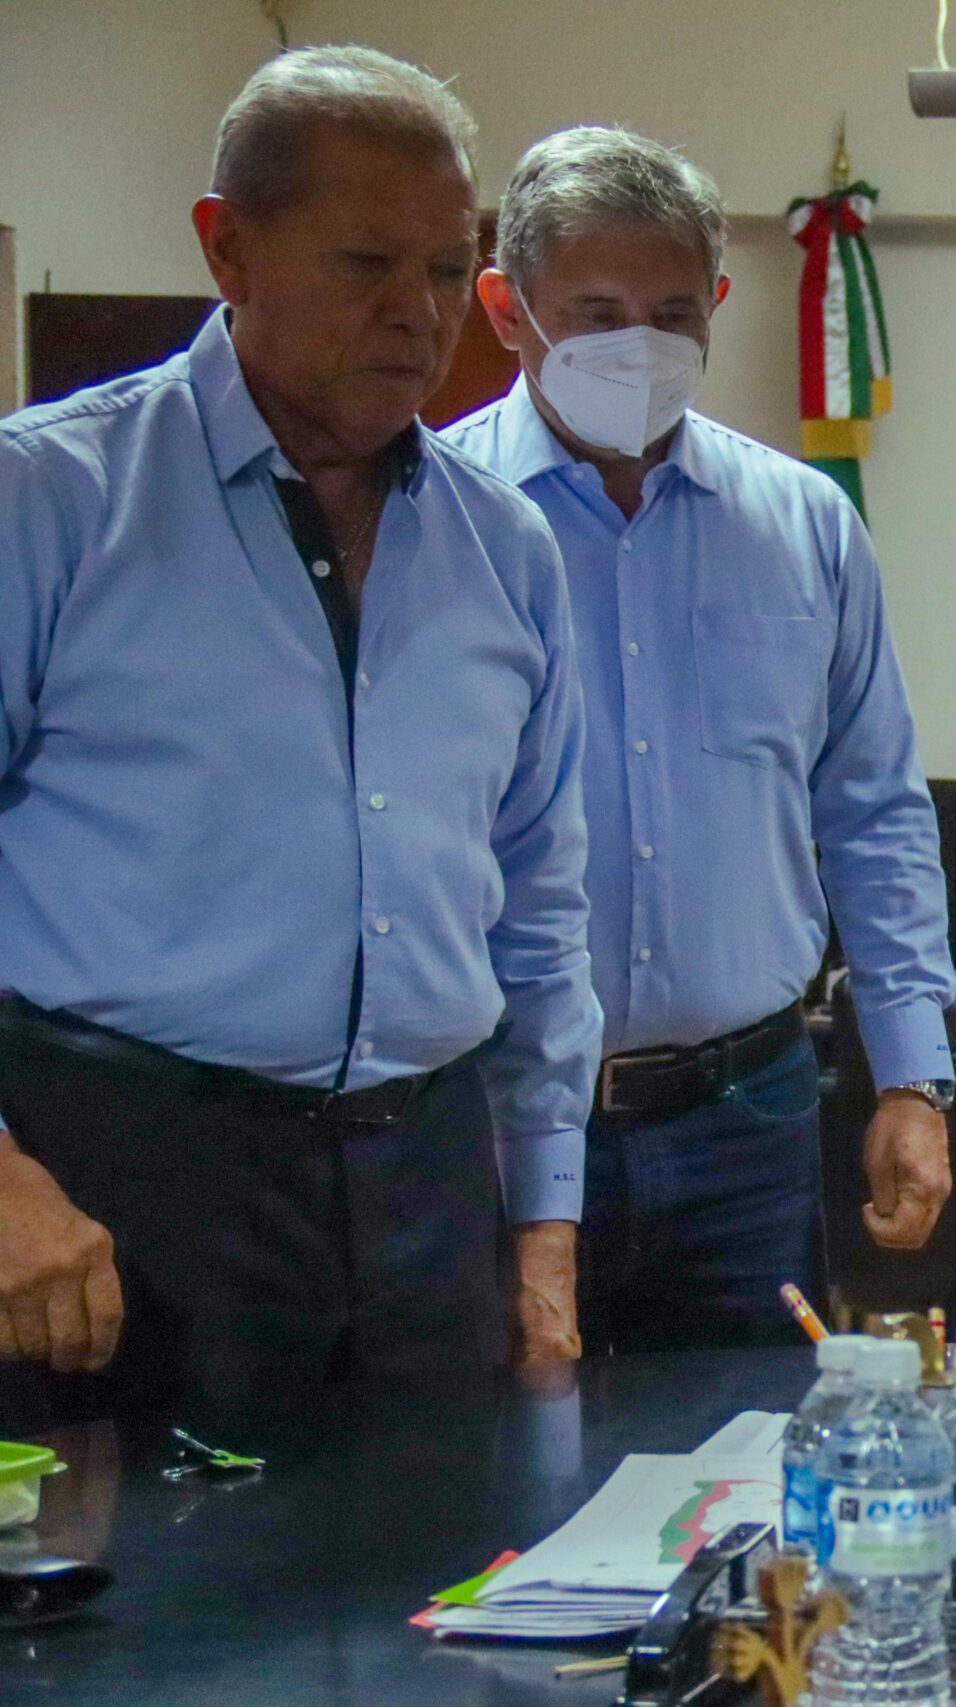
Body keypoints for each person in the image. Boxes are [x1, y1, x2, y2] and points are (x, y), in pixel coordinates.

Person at [0, 48, 600, 1427]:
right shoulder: (53, 502)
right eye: (367, 264)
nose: (418, 314)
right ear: (228, 249)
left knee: (442, 1554)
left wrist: (544, 1218)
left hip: (427, 1193)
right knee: (150, 1568)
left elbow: (539, 908)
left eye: (446, 271)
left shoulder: (505, 548)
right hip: (119, 1190)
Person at [445, 127, 956, 1352]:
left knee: (745, 1454)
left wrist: (909, 1076)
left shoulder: (804, 525)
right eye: (597, 314)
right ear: (507, 310)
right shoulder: (435, 520)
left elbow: (873, 809)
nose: (640, 345)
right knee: (498, 1455)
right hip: (485, 1120)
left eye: (673, 314)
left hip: (746, 1121)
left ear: (718, 305)